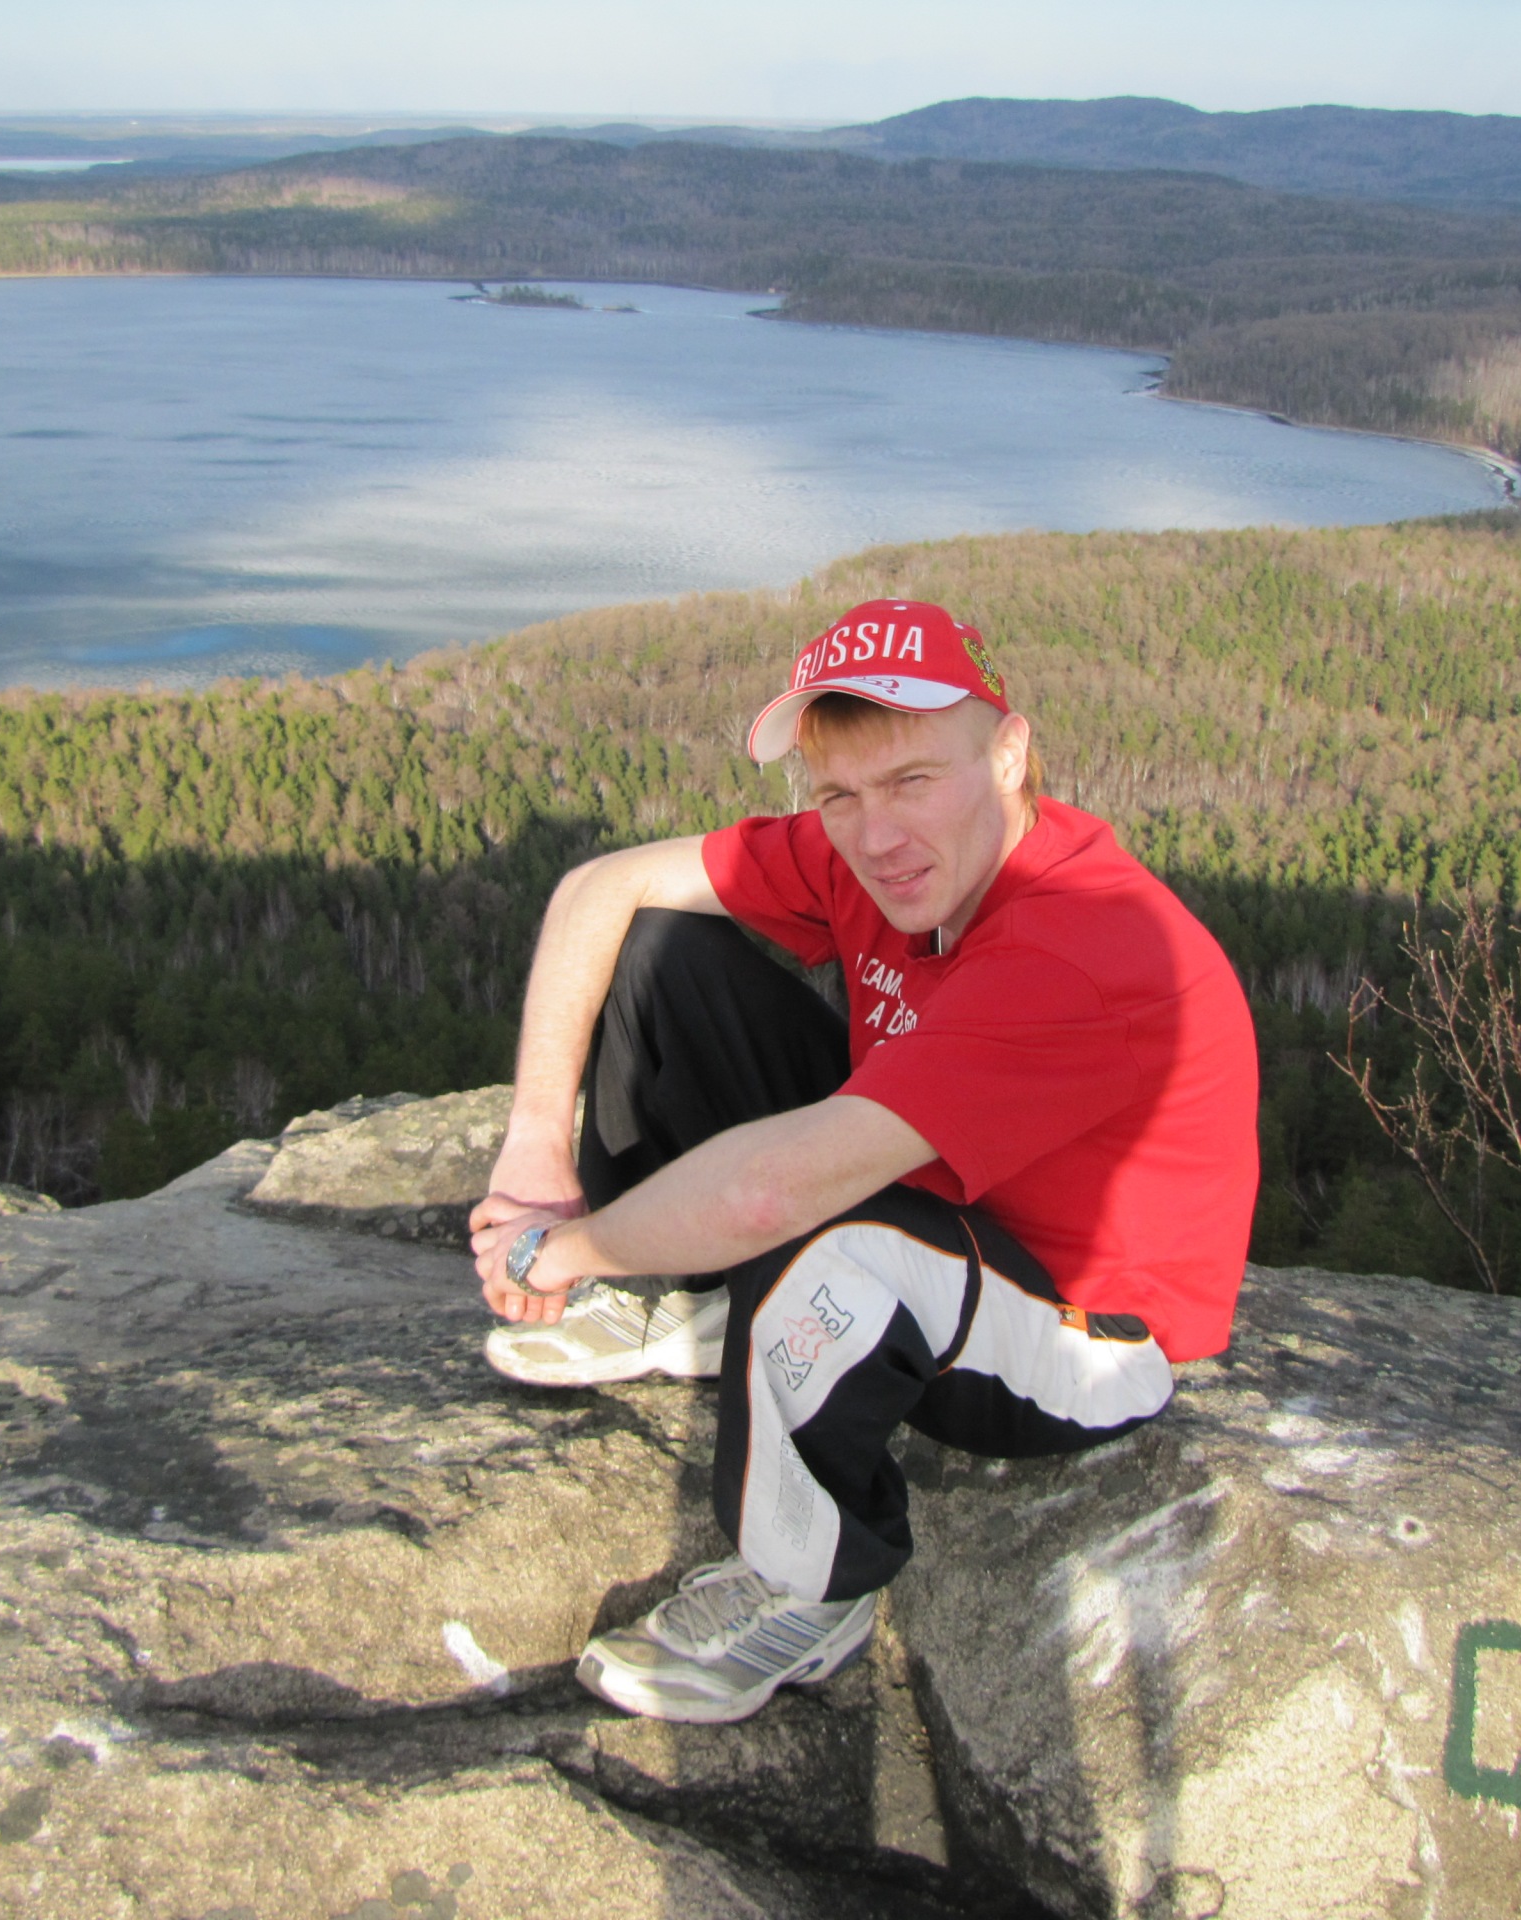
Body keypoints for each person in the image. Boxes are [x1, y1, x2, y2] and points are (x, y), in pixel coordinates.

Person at [468, 597, 1259, 1725]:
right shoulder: (886, 855)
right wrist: (535, 1153)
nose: (875, 834)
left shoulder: (1083, 944)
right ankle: (715, 1303)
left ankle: (812, 1584)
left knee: (824, 1233)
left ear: (1009, 754)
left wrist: (565, 1250)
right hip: (926, 1216)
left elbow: (770, 1190)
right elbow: (600, 888)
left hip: (1076, 1343)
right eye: (837, 793)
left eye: (912, 781)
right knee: (663, 951)